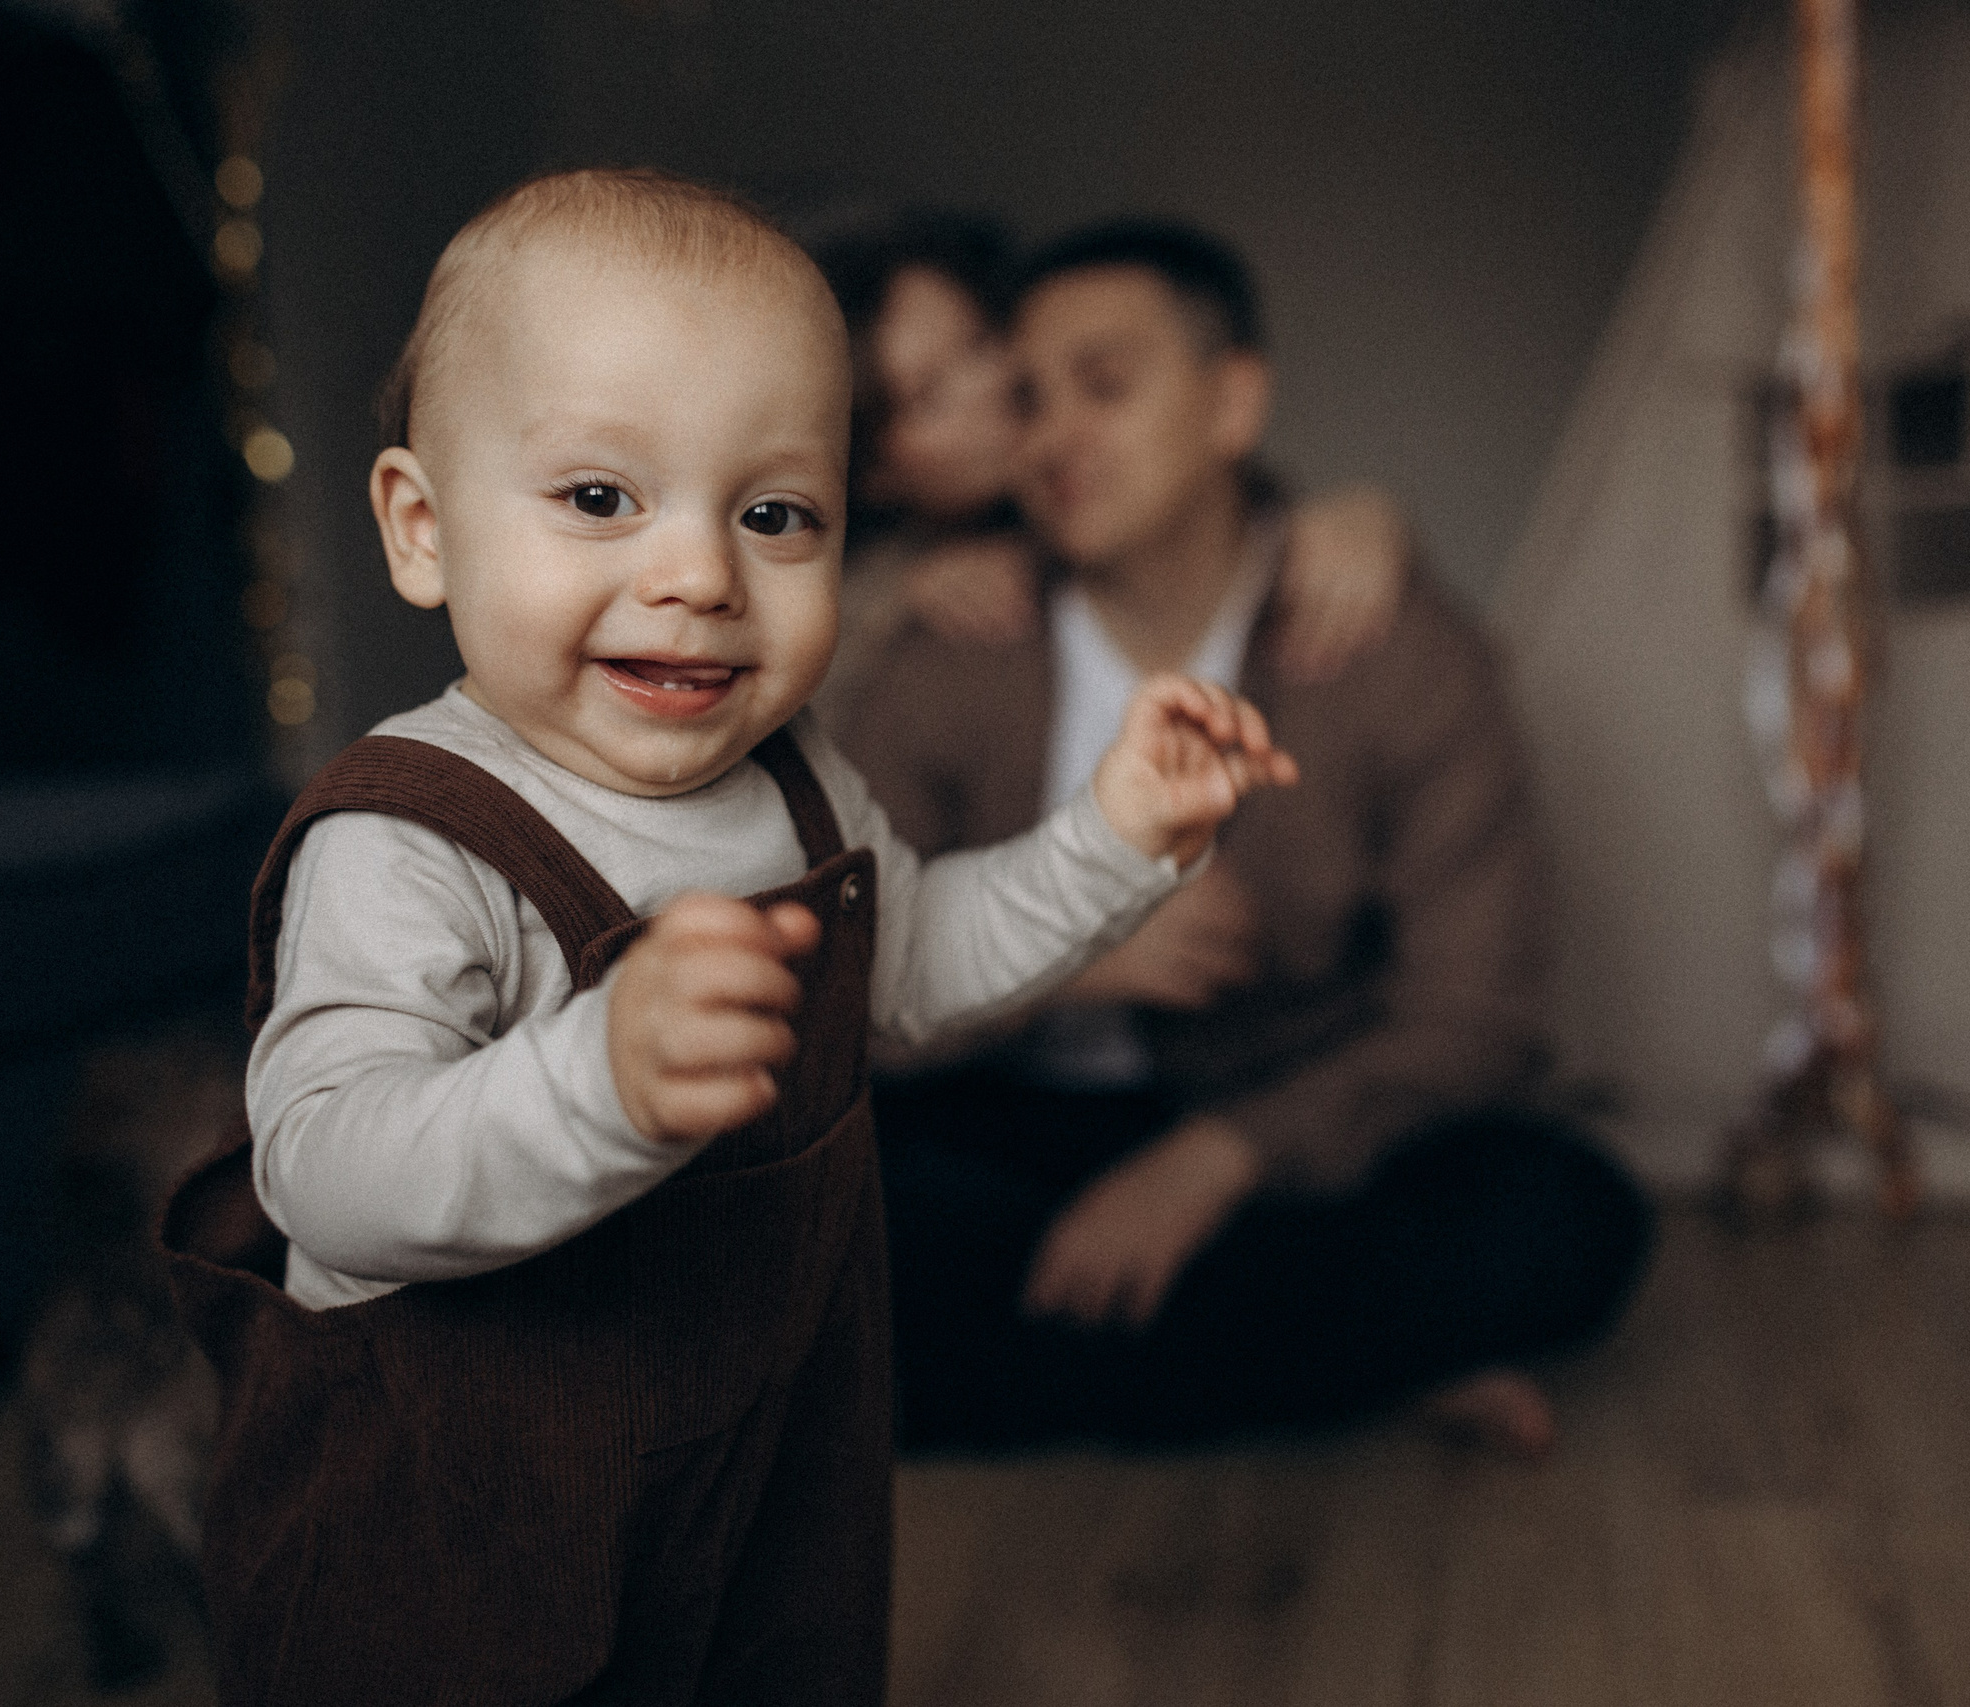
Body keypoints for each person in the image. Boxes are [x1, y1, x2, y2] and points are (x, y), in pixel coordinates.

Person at [159, 172, 1296, 1705]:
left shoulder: (797, 774)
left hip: (758, 1463)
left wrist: (1113, 837)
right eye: (600, 498)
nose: (699, 576)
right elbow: (330, 1168)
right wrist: (597, 1083)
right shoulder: (408, 834)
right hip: (455, 1523)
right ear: (422, 531)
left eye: (774, 514)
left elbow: (918, 965)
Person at [845, 220, 1654, 1460]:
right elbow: (850, 995)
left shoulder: (1391, 643)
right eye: (1027, 399)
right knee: (802, 1234)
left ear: (1233, 402)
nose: (1053, 436)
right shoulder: (953, 646)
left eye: (1104, 387)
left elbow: (1479, 1014)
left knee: (1572, 1214)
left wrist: (1217, 1160)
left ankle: (1116, 1362)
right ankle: (1350, 1367)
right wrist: (1067, 952)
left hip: (1278, 1133)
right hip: (999, 1130)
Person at [807, 211, 1417, 728]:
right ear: (873, 474)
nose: (994, 383)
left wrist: (1361, 519)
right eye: (927, 396)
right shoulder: (876, 624)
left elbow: (1215, 494)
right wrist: (900, 595)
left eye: (981, 341)